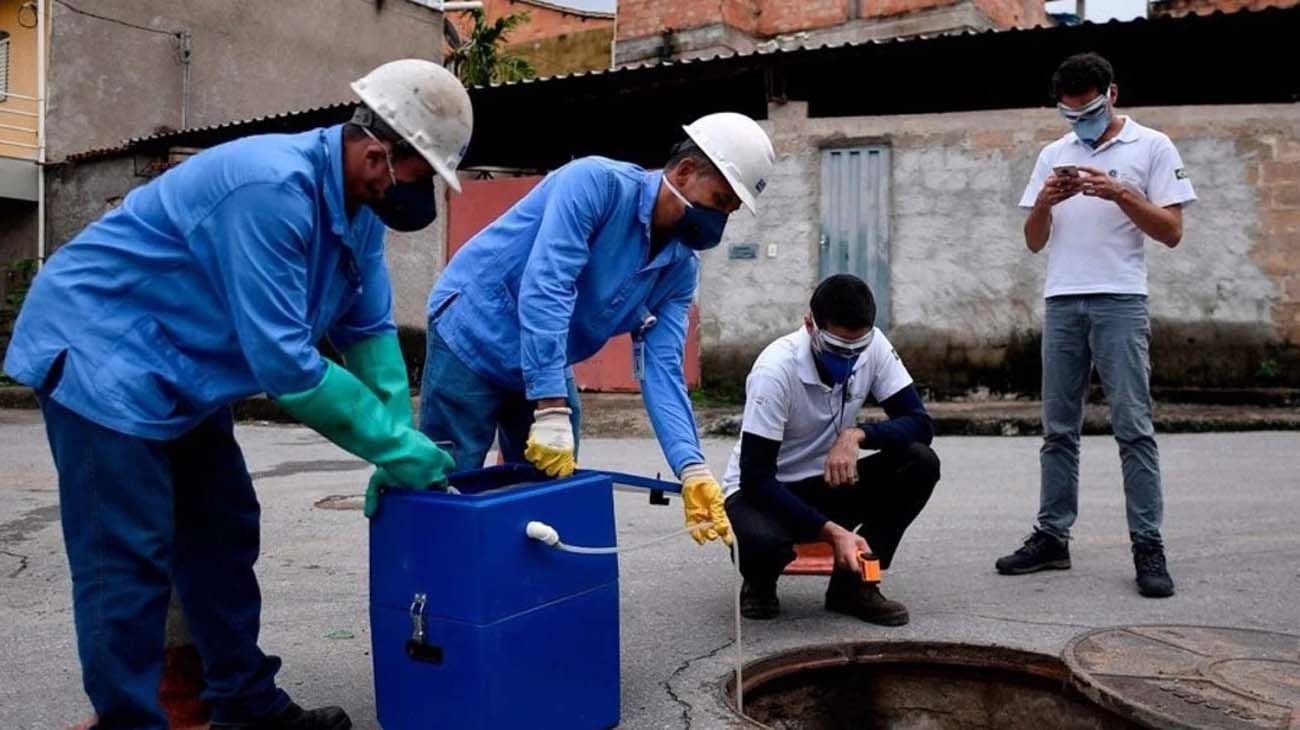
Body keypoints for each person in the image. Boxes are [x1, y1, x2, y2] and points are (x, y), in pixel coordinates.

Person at [2, 60, 472, 730]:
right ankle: (129, 721)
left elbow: (367, 330)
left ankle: (243, 704)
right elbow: (286, 365)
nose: (422, 199)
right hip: (101, 355)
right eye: (424, 178)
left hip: (181, 371)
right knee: (126, 558)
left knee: (222, 525)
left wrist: (397, 444)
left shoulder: (359, 209)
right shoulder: (269, 188)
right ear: (377, 152)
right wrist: (394, 445)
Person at [420, 112, 777, 548]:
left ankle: (513, 596)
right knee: (447, 480)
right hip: (474, 330)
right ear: (684, 172)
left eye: (731, 210)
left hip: (546, 351)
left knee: (547, 486)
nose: (720, 219)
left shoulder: (679, 269)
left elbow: (661, 368)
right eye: (720, 199)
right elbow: (546, 286)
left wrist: (692, 467)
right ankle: (430, 599)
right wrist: (552, 407)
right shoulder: (594, 184)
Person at [996, 52, 1196, 598]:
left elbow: (1172, 231)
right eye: (1068, 114)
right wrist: (1043, 201)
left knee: (1133, 428)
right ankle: (1052, 537)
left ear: (1111, 95)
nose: (1077, 123)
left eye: (1085, 111)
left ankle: (1148, 547)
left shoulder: (1152, 146)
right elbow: (1035, 240)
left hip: (1120, 301)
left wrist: (1120, 192)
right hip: (1062, 301)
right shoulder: (1052, 154)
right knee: (1058, 430)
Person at [722, 274, 939, 625]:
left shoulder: (875, 347)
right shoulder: (775, 370)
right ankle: (759, 583)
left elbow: (920, 424)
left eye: (858, 349)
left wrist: (856, 436)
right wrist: (832, 531)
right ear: (810, 326)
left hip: (825, 481)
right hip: (763, 492)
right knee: (763, 544)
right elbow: (756, 477)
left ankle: (852, 586)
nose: (849, 359)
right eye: (838, 349)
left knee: (920, 463)